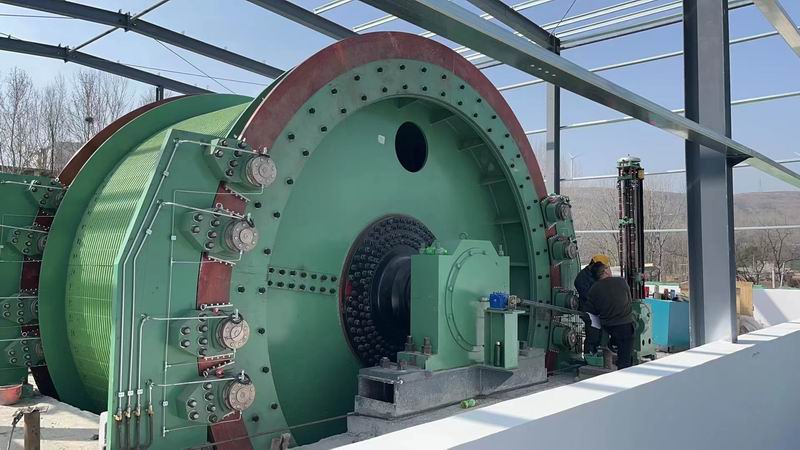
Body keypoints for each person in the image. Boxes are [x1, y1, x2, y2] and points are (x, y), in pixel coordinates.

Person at [585, 263, 636, 369]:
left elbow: (591, 311)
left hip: (608, 326)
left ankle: (611, 347)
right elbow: (629, 300)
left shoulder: (593, 289)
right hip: (625, 324)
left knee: (618, 349)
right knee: (625, 358)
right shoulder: (621, 281)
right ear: (605, 271)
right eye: (608, 267)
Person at [574, 254, 610, 353]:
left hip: (598, 311)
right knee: (593, 337)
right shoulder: (582, 278)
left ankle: (597, 354)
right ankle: (589, 355)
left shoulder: (595, 275)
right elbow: (587, 295)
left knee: (601, 336)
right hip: (589, 312)